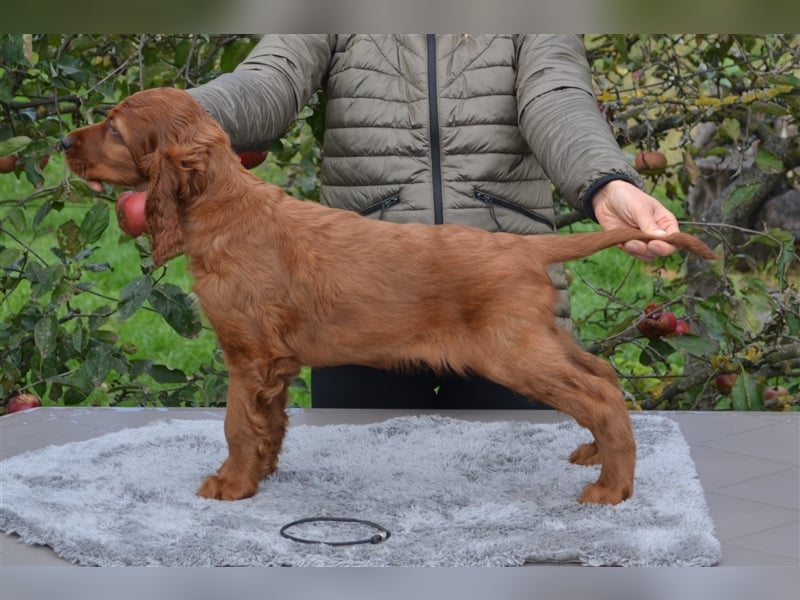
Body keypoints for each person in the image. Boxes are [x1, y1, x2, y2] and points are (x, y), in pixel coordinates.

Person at [186, 34, 681, 410]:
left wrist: (605, 182)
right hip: (358, 296)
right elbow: (271, 80)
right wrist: (174, 119)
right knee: (357, 512)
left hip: (496, 291)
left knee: (524, 507)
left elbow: (555, 94)